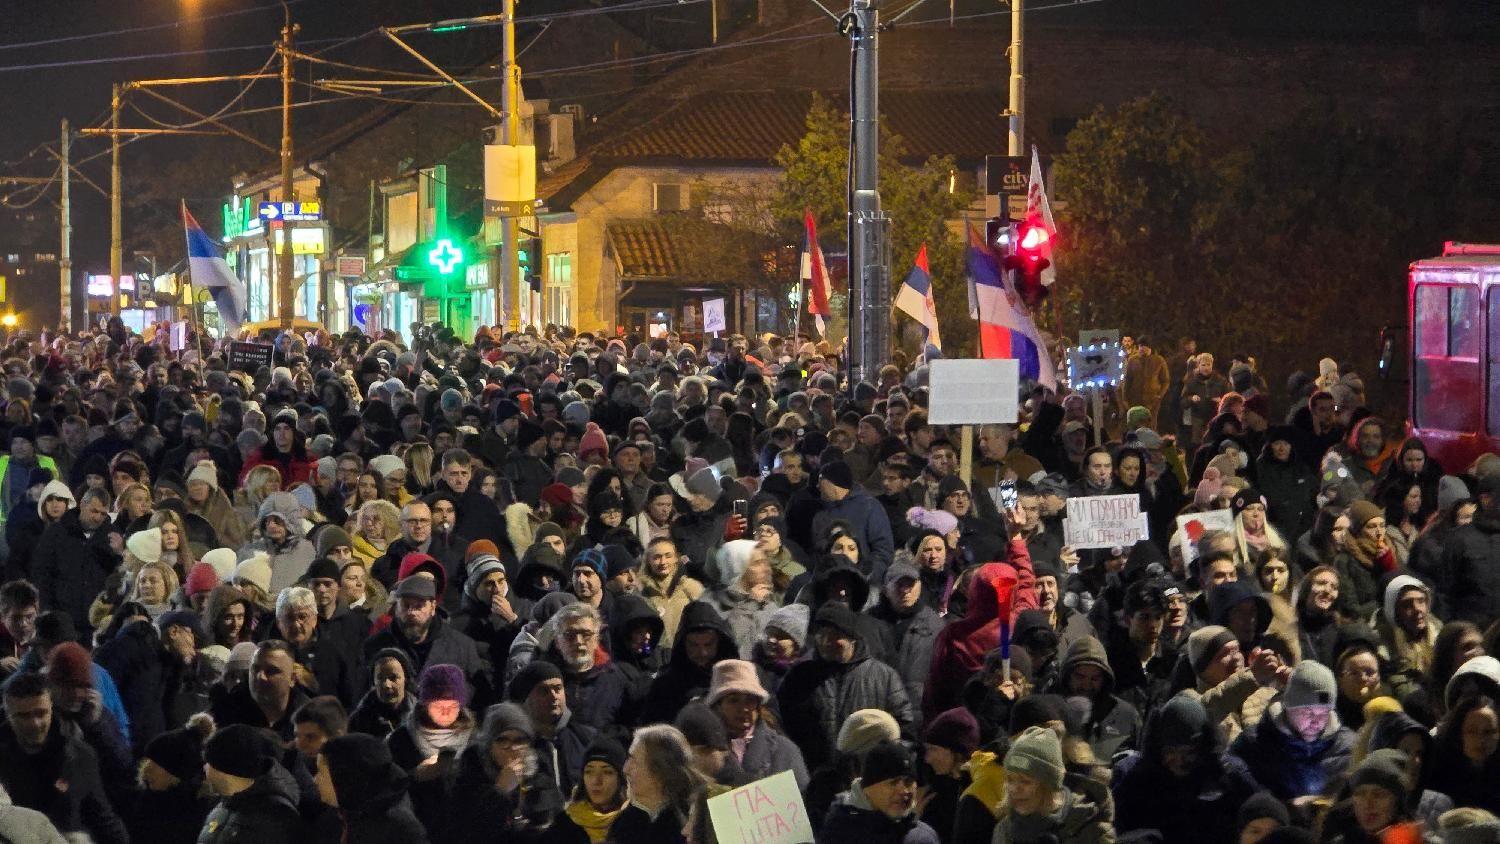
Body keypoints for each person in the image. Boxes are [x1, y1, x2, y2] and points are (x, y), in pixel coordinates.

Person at [779, 603, 915, 771]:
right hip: (815, 777)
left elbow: (904, 727)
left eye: (835, 634)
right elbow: (783, 724)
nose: (827, 641)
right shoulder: (800, 676)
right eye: (822, 634)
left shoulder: (883, 676)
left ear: (852, 637)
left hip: (867, 777)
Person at [1110, 693, 1261, 843]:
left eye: (1188, 752)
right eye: (1170, 751)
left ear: (1204, 749)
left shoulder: (1229, 775)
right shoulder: (1134, 779)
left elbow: (1263, 820)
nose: (1179, 761)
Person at [0, 672, 129, 844]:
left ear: (51, 707)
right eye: (23, 716)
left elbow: (101, 817)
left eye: (41, 713)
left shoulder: (78, 756)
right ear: (7, 713)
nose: (35, 723)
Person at [1231, 660, 1355, 801]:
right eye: (1307, 712)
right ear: (1288, 708)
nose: (1316, 720)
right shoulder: (1254, 743)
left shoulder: (1349, 747)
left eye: (1323, 713)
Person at [363, 574, 492, 706]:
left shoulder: (462, 647)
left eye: (419, 606)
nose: (412, 612)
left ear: (433, 607)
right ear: (396, 608)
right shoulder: (376, 647)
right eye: (406, 605)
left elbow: (480, 698)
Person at [386, 663, 478, 836]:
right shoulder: (402, 740)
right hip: (419, 830)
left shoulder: (474, 738)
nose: (445, 713)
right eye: (437, 706)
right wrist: (415, 776)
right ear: (424, 705)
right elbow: (389, 791)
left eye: (452, 707)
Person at [991, 725, 1115, 843]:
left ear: (1049, 784)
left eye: (1025, 781)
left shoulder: (1092, 829)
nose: (1014, 789)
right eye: (1010, 780)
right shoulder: (1005, 830)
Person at [705, 658, 808, 788]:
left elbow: (802, 797)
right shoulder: (702, 752)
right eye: (734, 700)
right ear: (718, 706)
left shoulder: (784, 750)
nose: (744, 708)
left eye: (750, 700)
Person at [315, 732, 431, 843]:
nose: (315, 780)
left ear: (345, 778)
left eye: (321, 773)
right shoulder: (342, 814)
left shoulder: (399, 829)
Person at [199, 722, 306, 842]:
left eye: (208, 762)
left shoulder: (276, 818)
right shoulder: (221, 806)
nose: (205, 768)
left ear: (226, 769)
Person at [822, 740, 941, 844]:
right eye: (893, 783)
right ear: (867, 789)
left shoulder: (921, 838)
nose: (904, 791)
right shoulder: (840, 831)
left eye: (909, 782)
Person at [611, 724, 706, 844]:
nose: (625, 769)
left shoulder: (692, 825)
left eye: (634, 761)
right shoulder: (623, 824)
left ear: (660, 772)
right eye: (628, 758)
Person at [545, 734, 629, 844]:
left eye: (607, 772)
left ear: (621, 778)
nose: (596, 781)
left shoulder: (634, 823)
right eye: (589, 771)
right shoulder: (564, 825)